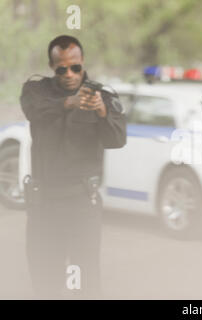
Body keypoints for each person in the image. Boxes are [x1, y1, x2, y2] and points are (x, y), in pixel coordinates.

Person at [20, 35, 127, 298]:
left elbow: (117, 140)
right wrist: (68, 102)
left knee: (86, 281)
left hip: (82, 203)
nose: (69, 74)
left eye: (75, 67)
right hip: (44, 203)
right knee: (44, 279)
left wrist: (101, 112)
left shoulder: (103, 95)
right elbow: (34, 111)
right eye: (61, 68)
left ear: (82, 63)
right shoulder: (37, 91)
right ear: (52, 66)